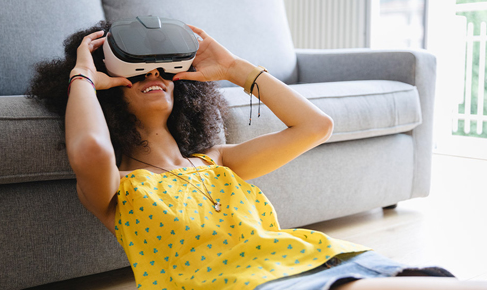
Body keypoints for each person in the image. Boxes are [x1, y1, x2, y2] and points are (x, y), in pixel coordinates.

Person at [28, 21, 486, 290]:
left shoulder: (218, 163)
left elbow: (315, 127)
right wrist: (83, 75)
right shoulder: (116, 190)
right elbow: (89, 147)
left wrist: (234, 69)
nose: (155, 75)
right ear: (108, 94)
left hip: (316, 261)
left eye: (165, 69)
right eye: (135, 72)